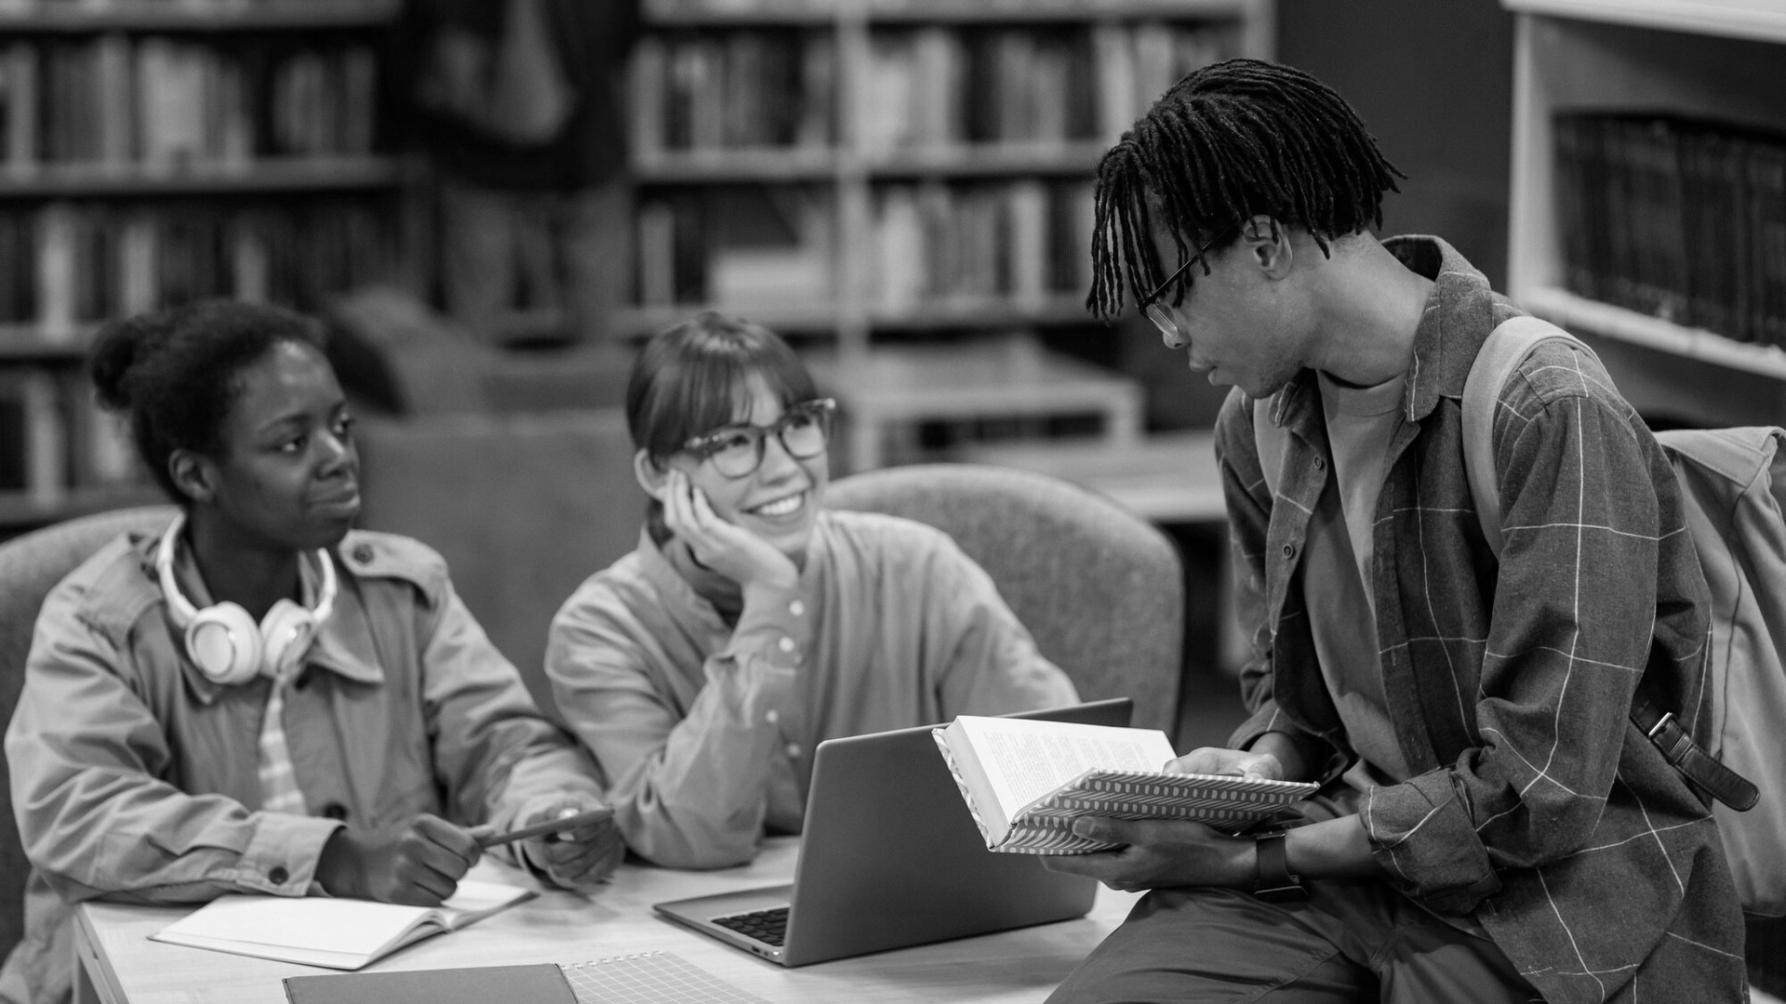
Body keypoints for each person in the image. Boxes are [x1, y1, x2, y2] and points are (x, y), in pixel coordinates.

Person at [1040, 58, 1746, 1004]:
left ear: (1264, 244)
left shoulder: (1545, 407)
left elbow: (1541, 791)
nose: (1165, 332)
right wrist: (1257, 767)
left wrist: (1253, 861)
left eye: (1170, 292)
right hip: (1344, 859)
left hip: (1558, 893)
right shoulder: (1256, 423)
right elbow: (1296, 696)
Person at [0, 301, 624, 1004]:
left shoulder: (404, 589)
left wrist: (552, 815)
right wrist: (334, 857)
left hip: (382, 979)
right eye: (292, 443)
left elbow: (506, 743)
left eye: (341, 426)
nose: (339, 459)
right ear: (198, 476)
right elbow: (80, 815)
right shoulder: (97, 622)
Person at [544, 311, 1081, 868]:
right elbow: (689, 839)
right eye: (733, 441)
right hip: (702, 926)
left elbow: (1056, 766)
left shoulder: (918, 567)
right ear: (660, 474)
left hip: (918, 902)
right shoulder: (599, 629)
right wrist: (770, 603)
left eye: (797, 425)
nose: (783, 469)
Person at [408, 0, 640, 349]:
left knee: (473, 321)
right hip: (586, 147)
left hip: (478, 156)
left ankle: (471, 399)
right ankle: (598, 396)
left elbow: (427, 60)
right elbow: (624, 38)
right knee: (596, 319)